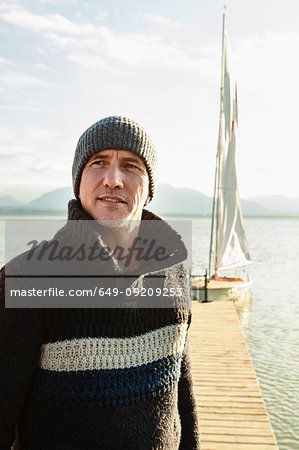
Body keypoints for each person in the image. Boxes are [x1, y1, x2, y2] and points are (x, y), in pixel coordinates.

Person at [0, 116, 200, 449]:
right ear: (78, 183)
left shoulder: (174, 269)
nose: (113, 179)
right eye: (99, 163)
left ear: (149, 191)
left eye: (131, 166)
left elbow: (184, 391)